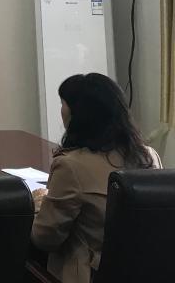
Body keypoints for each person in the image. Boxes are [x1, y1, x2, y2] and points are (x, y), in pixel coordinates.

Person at [31, 73, 161, 283]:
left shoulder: (71, 166)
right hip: (145, 272)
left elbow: (45, 238)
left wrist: (37, 207)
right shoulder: (149, 156)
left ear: (78, 115)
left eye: (63, 104)